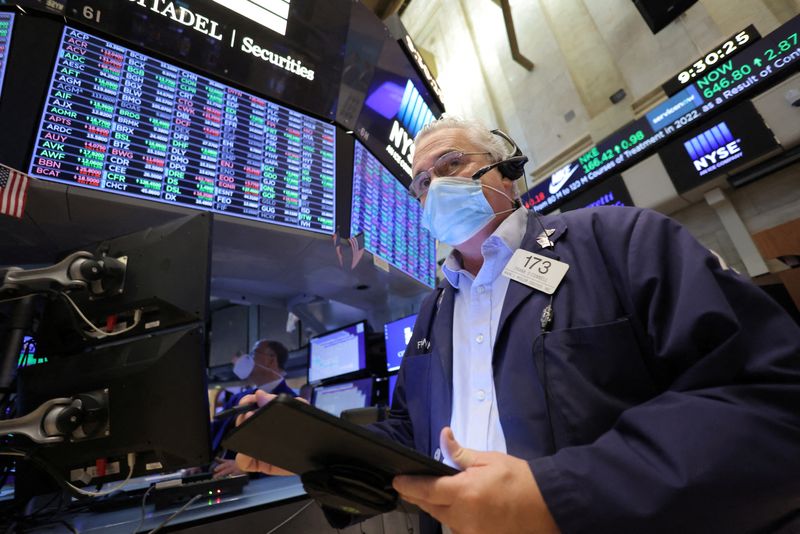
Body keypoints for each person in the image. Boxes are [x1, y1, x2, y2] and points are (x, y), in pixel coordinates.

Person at [235, 117, 800, 533]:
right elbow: (413, 434)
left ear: (507, 170)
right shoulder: (435, 310)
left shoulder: (618, 241)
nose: (433, 188)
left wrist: (557, 495)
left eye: (449, 164)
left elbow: (768, 400)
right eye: (420, 183)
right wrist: (311, 443)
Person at [210, 339, 295, 478]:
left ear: (271, 360)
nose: (247, 359)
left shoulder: (289, 401)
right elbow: (216, 429)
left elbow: (287, 453)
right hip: (214, 472)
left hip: (250, 482)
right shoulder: (239, 397)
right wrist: (200, 463)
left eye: (253, 353)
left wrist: (248, 468)